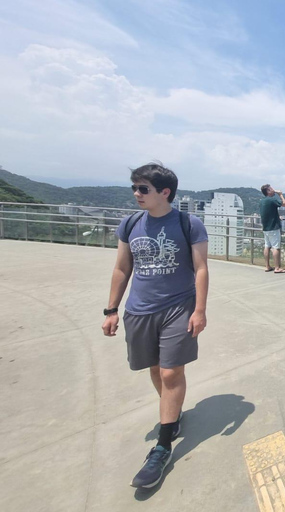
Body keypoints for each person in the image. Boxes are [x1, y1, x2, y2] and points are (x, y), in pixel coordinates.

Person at [101, 163, 209, 489]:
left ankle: (162, 445)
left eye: (143, 189)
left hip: (179, 307)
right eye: (135, 187)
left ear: (165, 192)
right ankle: (171, 416)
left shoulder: (188, 223)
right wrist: (111, 309)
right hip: (139, 310)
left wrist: (200, 310)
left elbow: (201, 269)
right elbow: (122, 269)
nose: (137, 194)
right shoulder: (130, 223)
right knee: (153, 368)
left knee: (169, 372)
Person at [260, 184, 285, 273]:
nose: (273, 190)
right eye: (271, 189)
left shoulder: (262, 201)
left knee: (267, 246)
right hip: (273, 227)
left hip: (266, 227)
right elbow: (284, 204)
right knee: (276, 247)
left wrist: (277, 217)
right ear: (268, 191)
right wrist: (280, 194)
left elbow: (269, 212)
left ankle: (267, 266)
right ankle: (277, 268)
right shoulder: (271, 200)